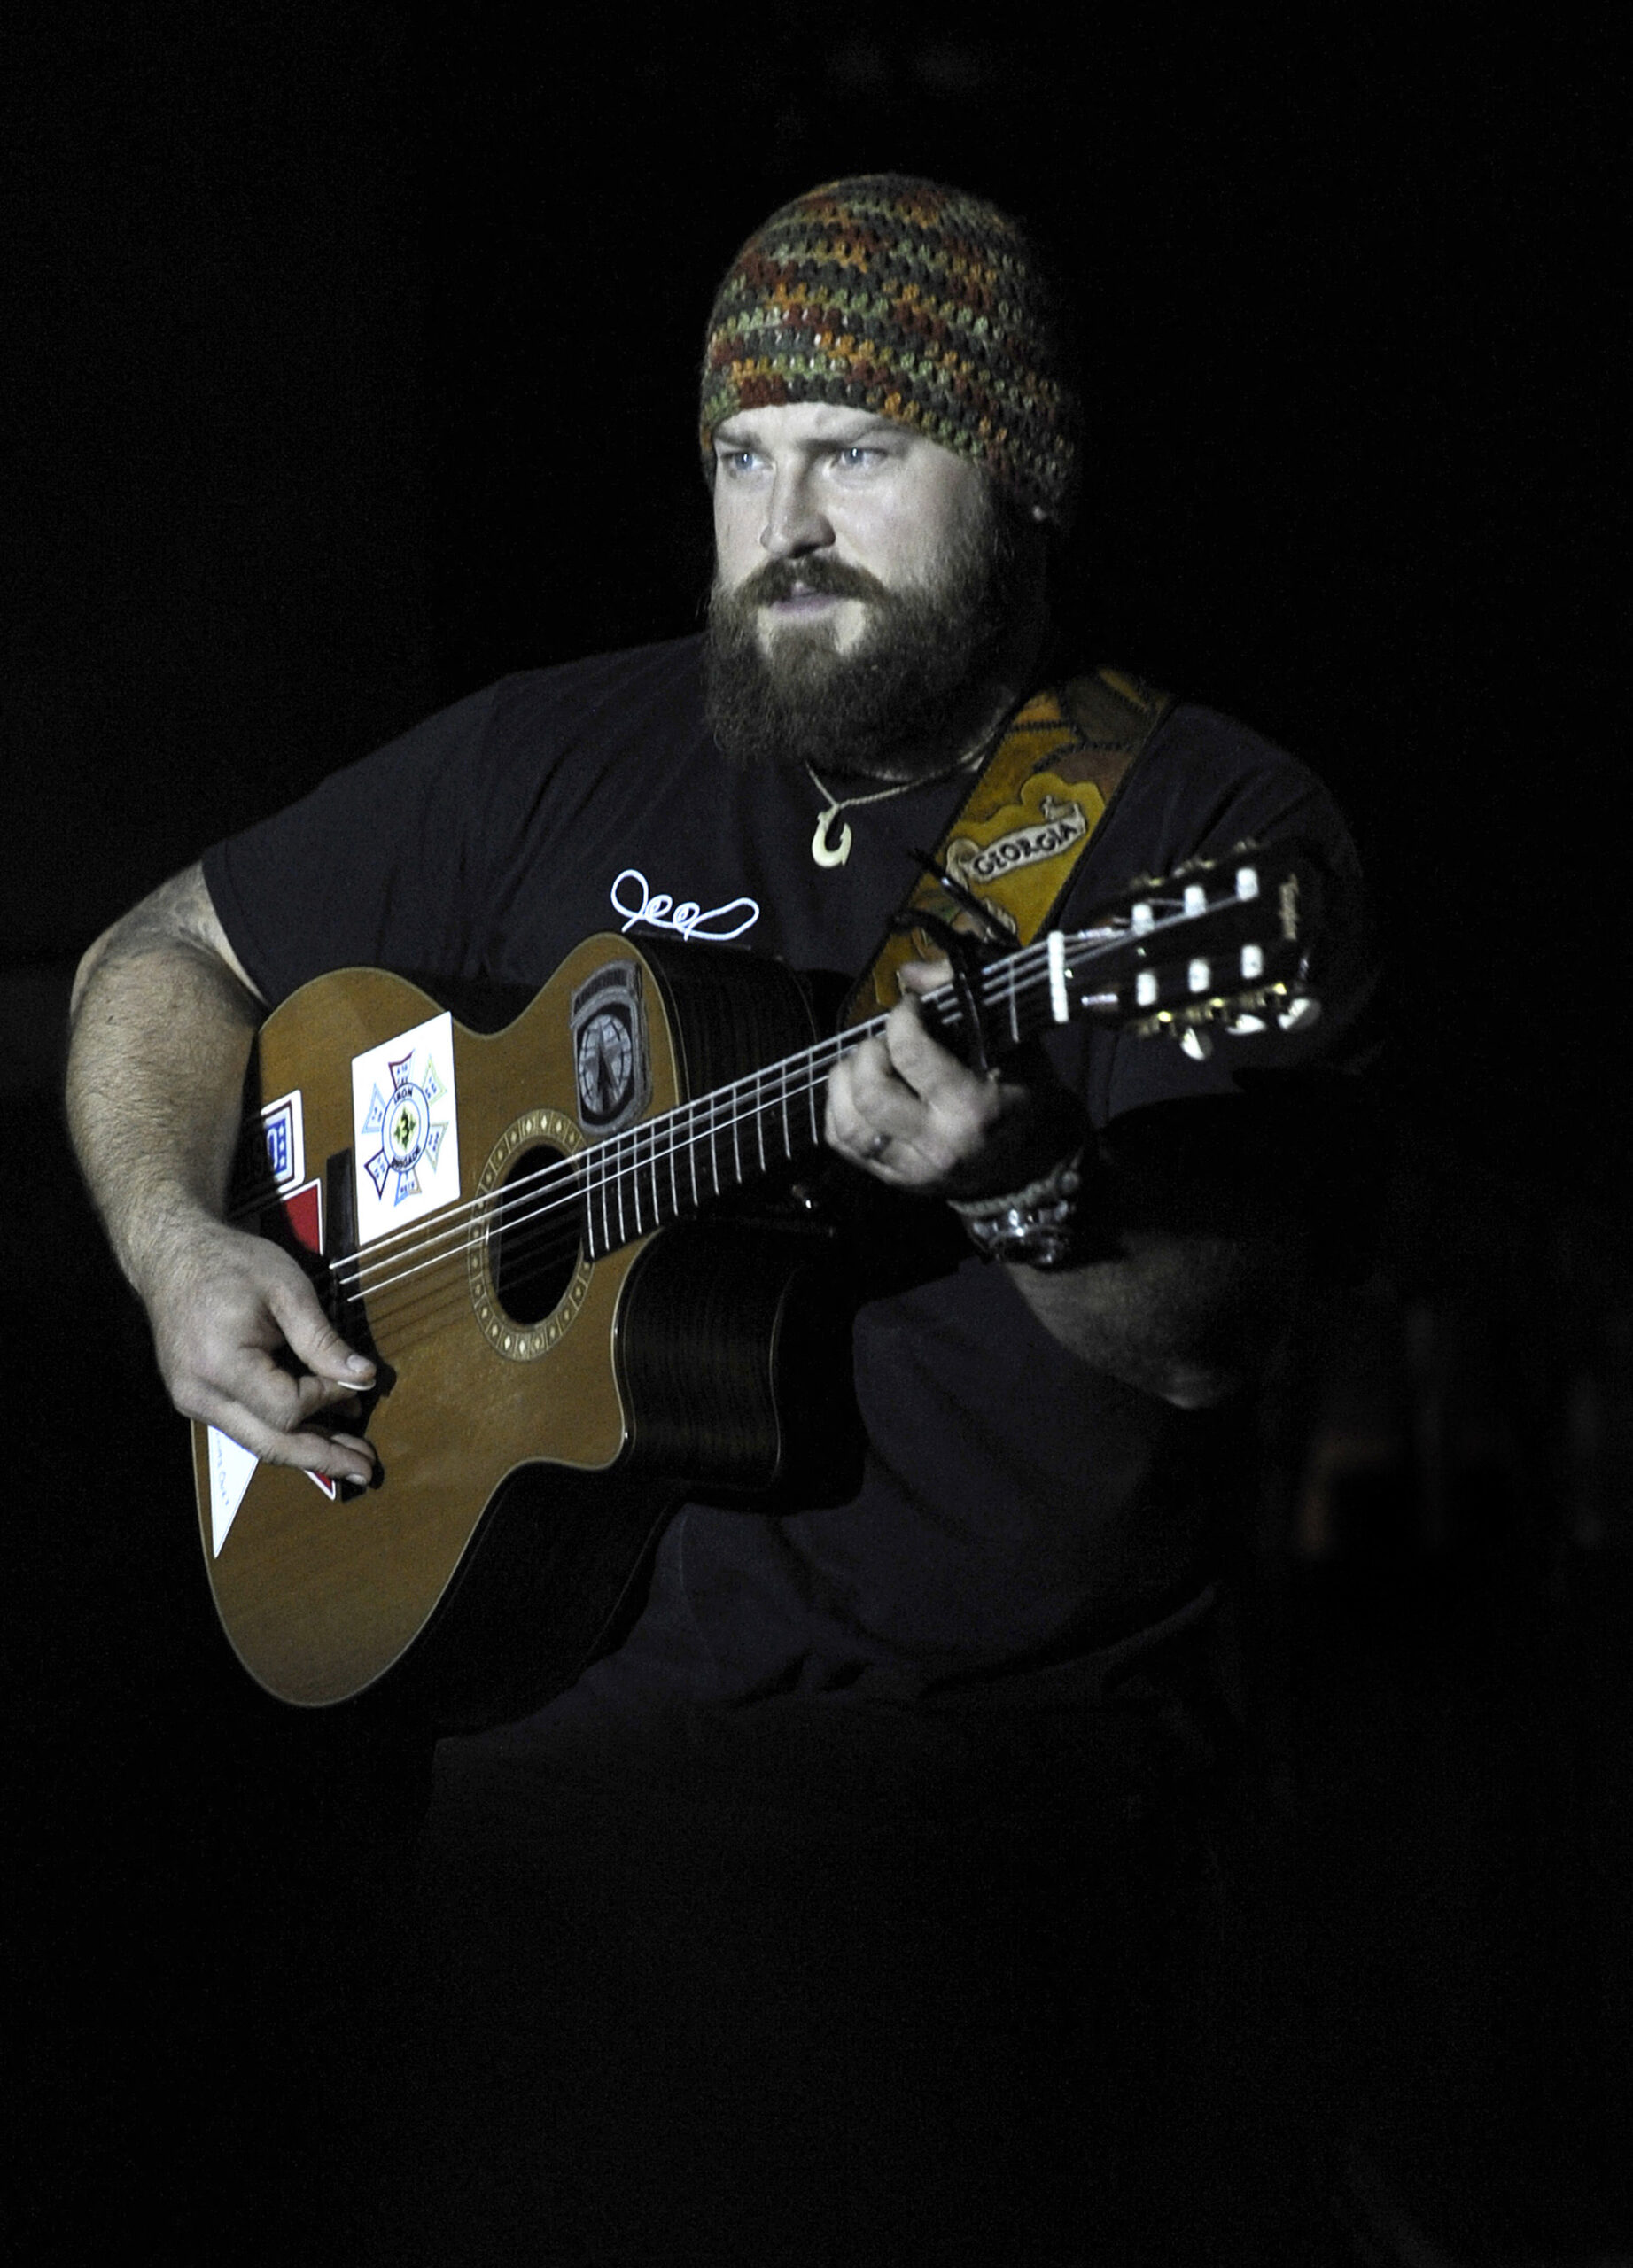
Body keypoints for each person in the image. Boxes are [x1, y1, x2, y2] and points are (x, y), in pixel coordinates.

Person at [67, 177, 1374, 2263]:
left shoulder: (1184, 827)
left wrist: (1020, 1180)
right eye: (744, 460)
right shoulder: (547, 749)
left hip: (985, 1825)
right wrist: (172, 1242)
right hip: (546, 1796)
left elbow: (1216, 1326)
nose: (790, 521)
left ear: (1020, 480)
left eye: (862, 449)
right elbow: (161, 954)